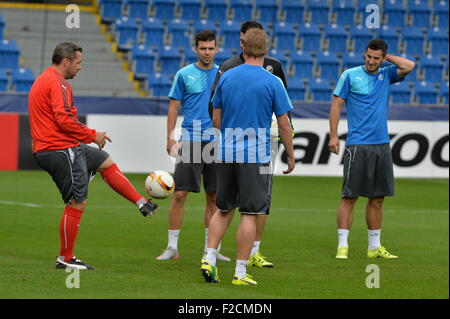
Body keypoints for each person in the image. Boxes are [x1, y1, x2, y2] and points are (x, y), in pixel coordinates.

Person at [28, 42, 158, 270]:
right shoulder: (56, 83)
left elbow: (67, 116)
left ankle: (141, 202)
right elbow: (62, 120)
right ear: (66, 61)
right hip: (58, 149)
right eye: (78, 63)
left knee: (104, 161)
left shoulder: (48, 80)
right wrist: (91, 134)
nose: (81, 67)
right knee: (78, 202)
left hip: (61, 146)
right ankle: (66, 259)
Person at [201, 28, 295, 285]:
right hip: (256, 156)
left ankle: (209, 257)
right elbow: (284, 125)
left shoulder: (227, 77)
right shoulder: (272, 81)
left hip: (226, 152)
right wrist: (290, 155)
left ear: (243, 48)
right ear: (265, 50)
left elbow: (216, 119)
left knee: (222, 208)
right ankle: (240, 273)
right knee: (250, 214)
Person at [328, 39, 415, 260]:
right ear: (364, 54)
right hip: (357, 144)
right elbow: (336, 105)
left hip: (381, 145)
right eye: (368, 56)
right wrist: (334, 135)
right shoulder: (350, 75)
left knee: (378, 198)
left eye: (376, 58)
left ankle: (374, 247)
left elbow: (409, 66)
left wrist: (388, 59)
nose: (371, 61)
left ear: (382, 58)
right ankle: (342, 246)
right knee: (349, 197)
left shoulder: (386, 74)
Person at [156, 30, 230, 262]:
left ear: (216, 49)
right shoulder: (184, 74)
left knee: (214, 197)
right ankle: (172, 247)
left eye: (211, 48)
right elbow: (173, 107)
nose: (207, 52)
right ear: (195, 49)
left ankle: (212, 250)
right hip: (190, 140)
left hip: (216, 142)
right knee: (179, 194)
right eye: (203, 48)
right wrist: (170, 137)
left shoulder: (224, 75)